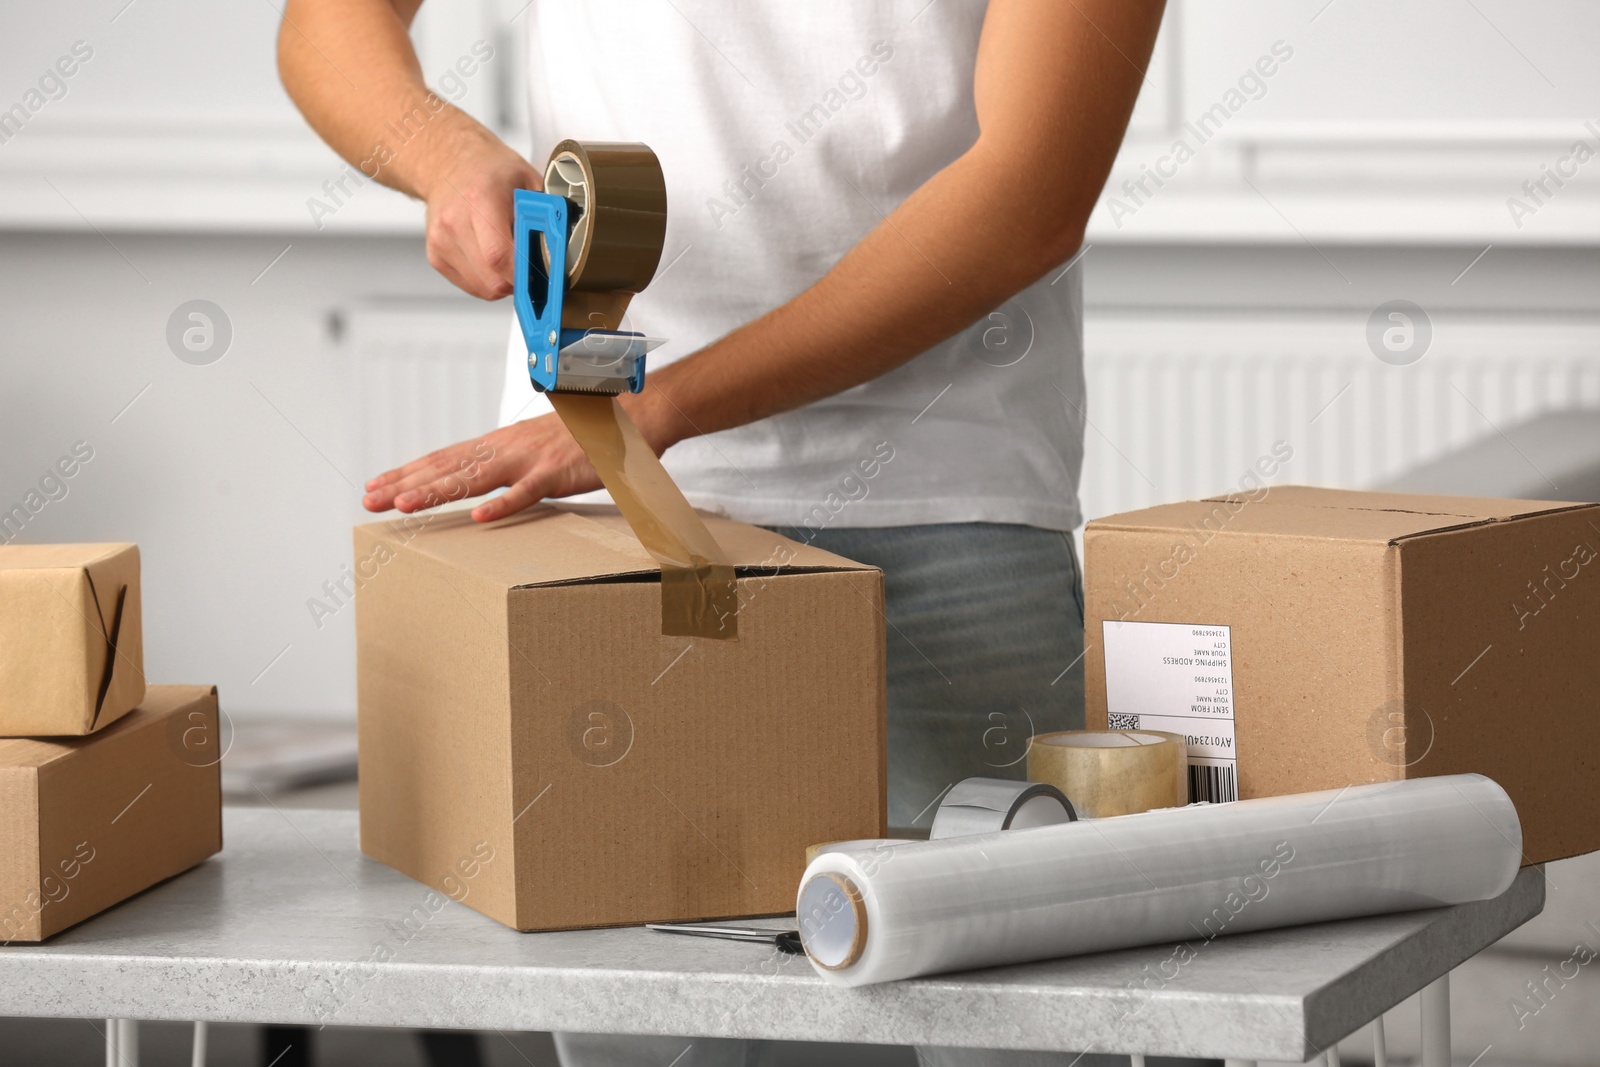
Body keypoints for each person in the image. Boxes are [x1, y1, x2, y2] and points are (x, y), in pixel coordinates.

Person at [281, 3, 1164, 1065]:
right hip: (612, 508)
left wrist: (657, 410)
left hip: (942, 493)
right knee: (642, 1014)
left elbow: (1029, 192)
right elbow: (325, 24)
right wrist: (441, 149)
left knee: (1009, 1024)